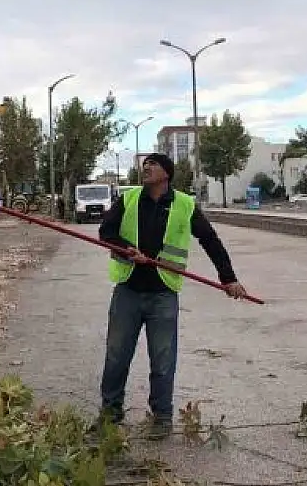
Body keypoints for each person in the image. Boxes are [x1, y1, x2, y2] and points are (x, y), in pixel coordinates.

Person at [96, 152, 246, 440]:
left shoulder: (185, 205)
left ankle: (162, 417)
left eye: (152, 163)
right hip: (128, 290)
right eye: (144, 164)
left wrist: (229, 279)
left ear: (167, 172)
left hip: (163, 294)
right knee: (116, 356)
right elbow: (106, 232)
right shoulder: (128, 199)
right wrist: (127, 248)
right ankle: (110, 415)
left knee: (163, 360)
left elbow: (210, 240)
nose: (146, 167)